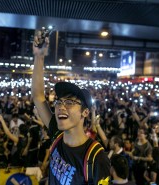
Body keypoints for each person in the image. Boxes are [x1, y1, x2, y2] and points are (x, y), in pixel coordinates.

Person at [31, 29, 110, 184]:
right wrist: (39, 57)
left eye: (69, 103)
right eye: (59, 102)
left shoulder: (96, 158)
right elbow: (38, 96)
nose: (61, 106)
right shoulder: (57, 135)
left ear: (85, 112)